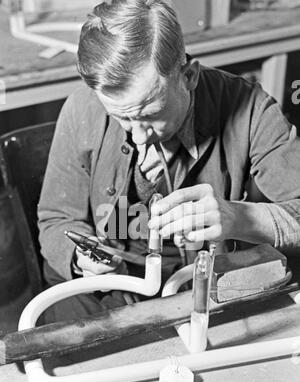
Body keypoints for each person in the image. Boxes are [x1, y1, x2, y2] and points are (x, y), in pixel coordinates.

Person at [38, 0, 300, 322]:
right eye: (122, 118)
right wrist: (82, 258)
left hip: (212, 288)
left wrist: (241, 218)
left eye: (151, 114)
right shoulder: (81, 109)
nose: (138, 137)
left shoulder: (251, 110)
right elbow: (55, 220)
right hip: (110, 292)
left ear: (188, 76)